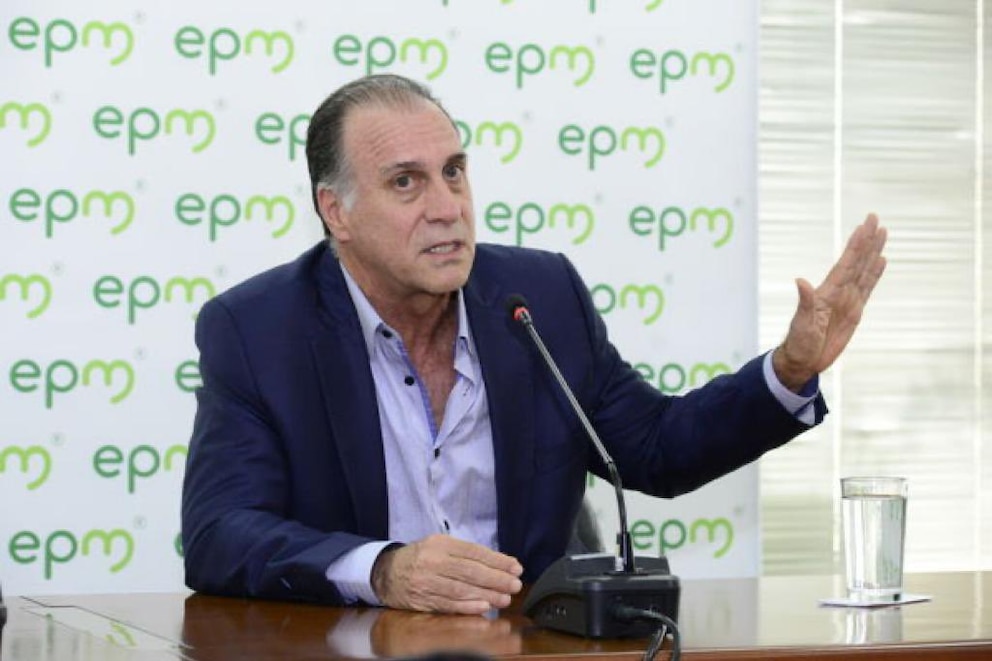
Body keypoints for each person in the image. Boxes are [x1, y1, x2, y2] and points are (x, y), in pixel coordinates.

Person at [180, 74, 887, 616]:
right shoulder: (258, 329)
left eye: (454, 171)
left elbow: (656, 445)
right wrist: (384, 570)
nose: (447, 207)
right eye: (406, 182)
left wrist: (789, 369)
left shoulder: (538, 297)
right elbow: (220, 532)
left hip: (529, 646)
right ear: (336, 211)